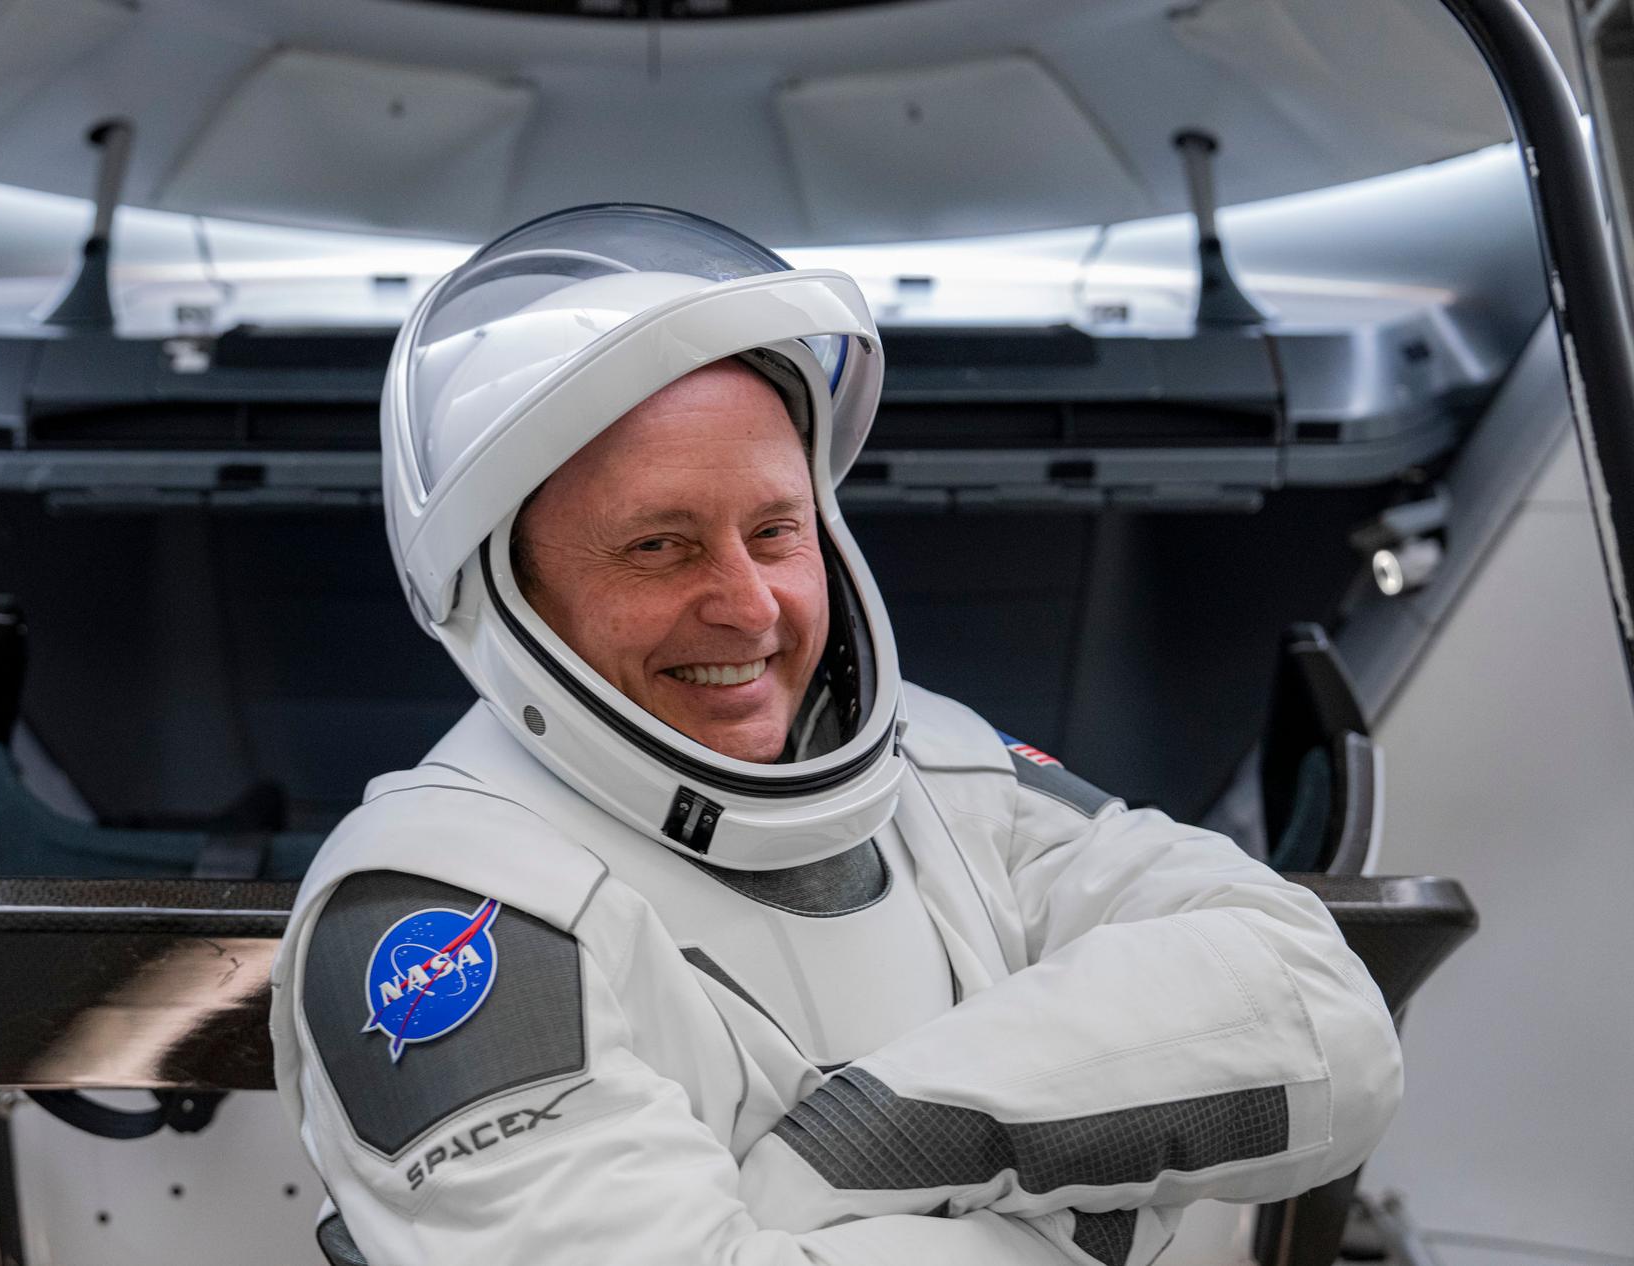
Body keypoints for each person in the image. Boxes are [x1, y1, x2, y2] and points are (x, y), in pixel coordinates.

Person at [269, 205, 1401, 1266]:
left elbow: (1324, 1018)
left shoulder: (948, 774)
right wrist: (1090, 1222)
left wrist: (858, 1149)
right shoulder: (439, 908)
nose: (750, 606)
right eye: (660, 547)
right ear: (504, 594)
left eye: (775, 530)